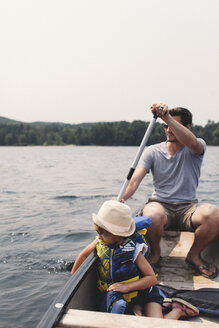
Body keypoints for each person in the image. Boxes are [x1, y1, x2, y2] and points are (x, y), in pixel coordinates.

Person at [121, 103, 219, 279]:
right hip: (160, 205)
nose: (168, 129)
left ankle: (194, 255)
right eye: (165, 125)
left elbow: (190, 141)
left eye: (173, 125)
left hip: (188, 208)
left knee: (215, 214)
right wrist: (121, 199)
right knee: (151, 214)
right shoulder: (152, 151)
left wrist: (165, 116)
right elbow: (135, 180)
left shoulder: (197, 147)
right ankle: (155, 253)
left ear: (187, 127)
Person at [71, 200, 199, 320]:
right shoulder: (99, 242)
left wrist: (127, 287)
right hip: (121, 297)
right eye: (98, 232)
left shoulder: (134, 250)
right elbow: (83, 256)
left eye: (104, 233)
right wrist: (73, 278)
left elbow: (151, 278)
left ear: (118, 235)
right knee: (133, 314)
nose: (99, 237)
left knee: (157, 324)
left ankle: (178, 310)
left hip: (145, 294)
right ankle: (140, 311)